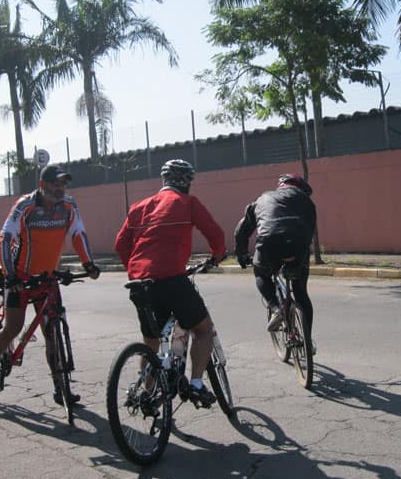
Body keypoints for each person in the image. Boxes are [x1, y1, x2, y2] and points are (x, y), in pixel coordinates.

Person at [0, 164, 100, 405]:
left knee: (53, 334)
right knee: (13, 328)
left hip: (48, 279)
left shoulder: (68, 206)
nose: (60, 188)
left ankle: (61, 388)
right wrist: (10, 275)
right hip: (20, 278)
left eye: (63, 184)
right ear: (42, 185)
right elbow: (5, 237)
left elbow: (78, 233)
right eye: (55, 183)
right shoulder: (26, 206)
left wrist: (88, 264)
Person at [114, 159, 226, 407]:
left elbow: (121, 245)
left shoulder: (139, 207)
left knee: (151, 342)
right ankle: (196, 385)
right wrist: (217, 255)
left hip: (140, 282)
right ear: (187, 182)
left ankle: (148, 394)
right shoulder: (188, 203)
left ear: (164, 180)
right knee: (203, 330)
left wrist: (136, 269)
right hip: (172, 279)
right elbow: (215, 235)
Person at [234, 174, 317, 352]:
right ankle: (308, 342)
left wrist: (242, 255)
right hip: (298, 245)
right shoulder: (307, 201)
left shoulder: (262, 199)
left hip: (269, 243)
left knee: (261, 274)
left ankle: (276, 308)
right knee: (301, 293)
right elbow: (309, 231)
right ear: (301, 189)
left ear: (281, 186)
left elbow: (241, 231)